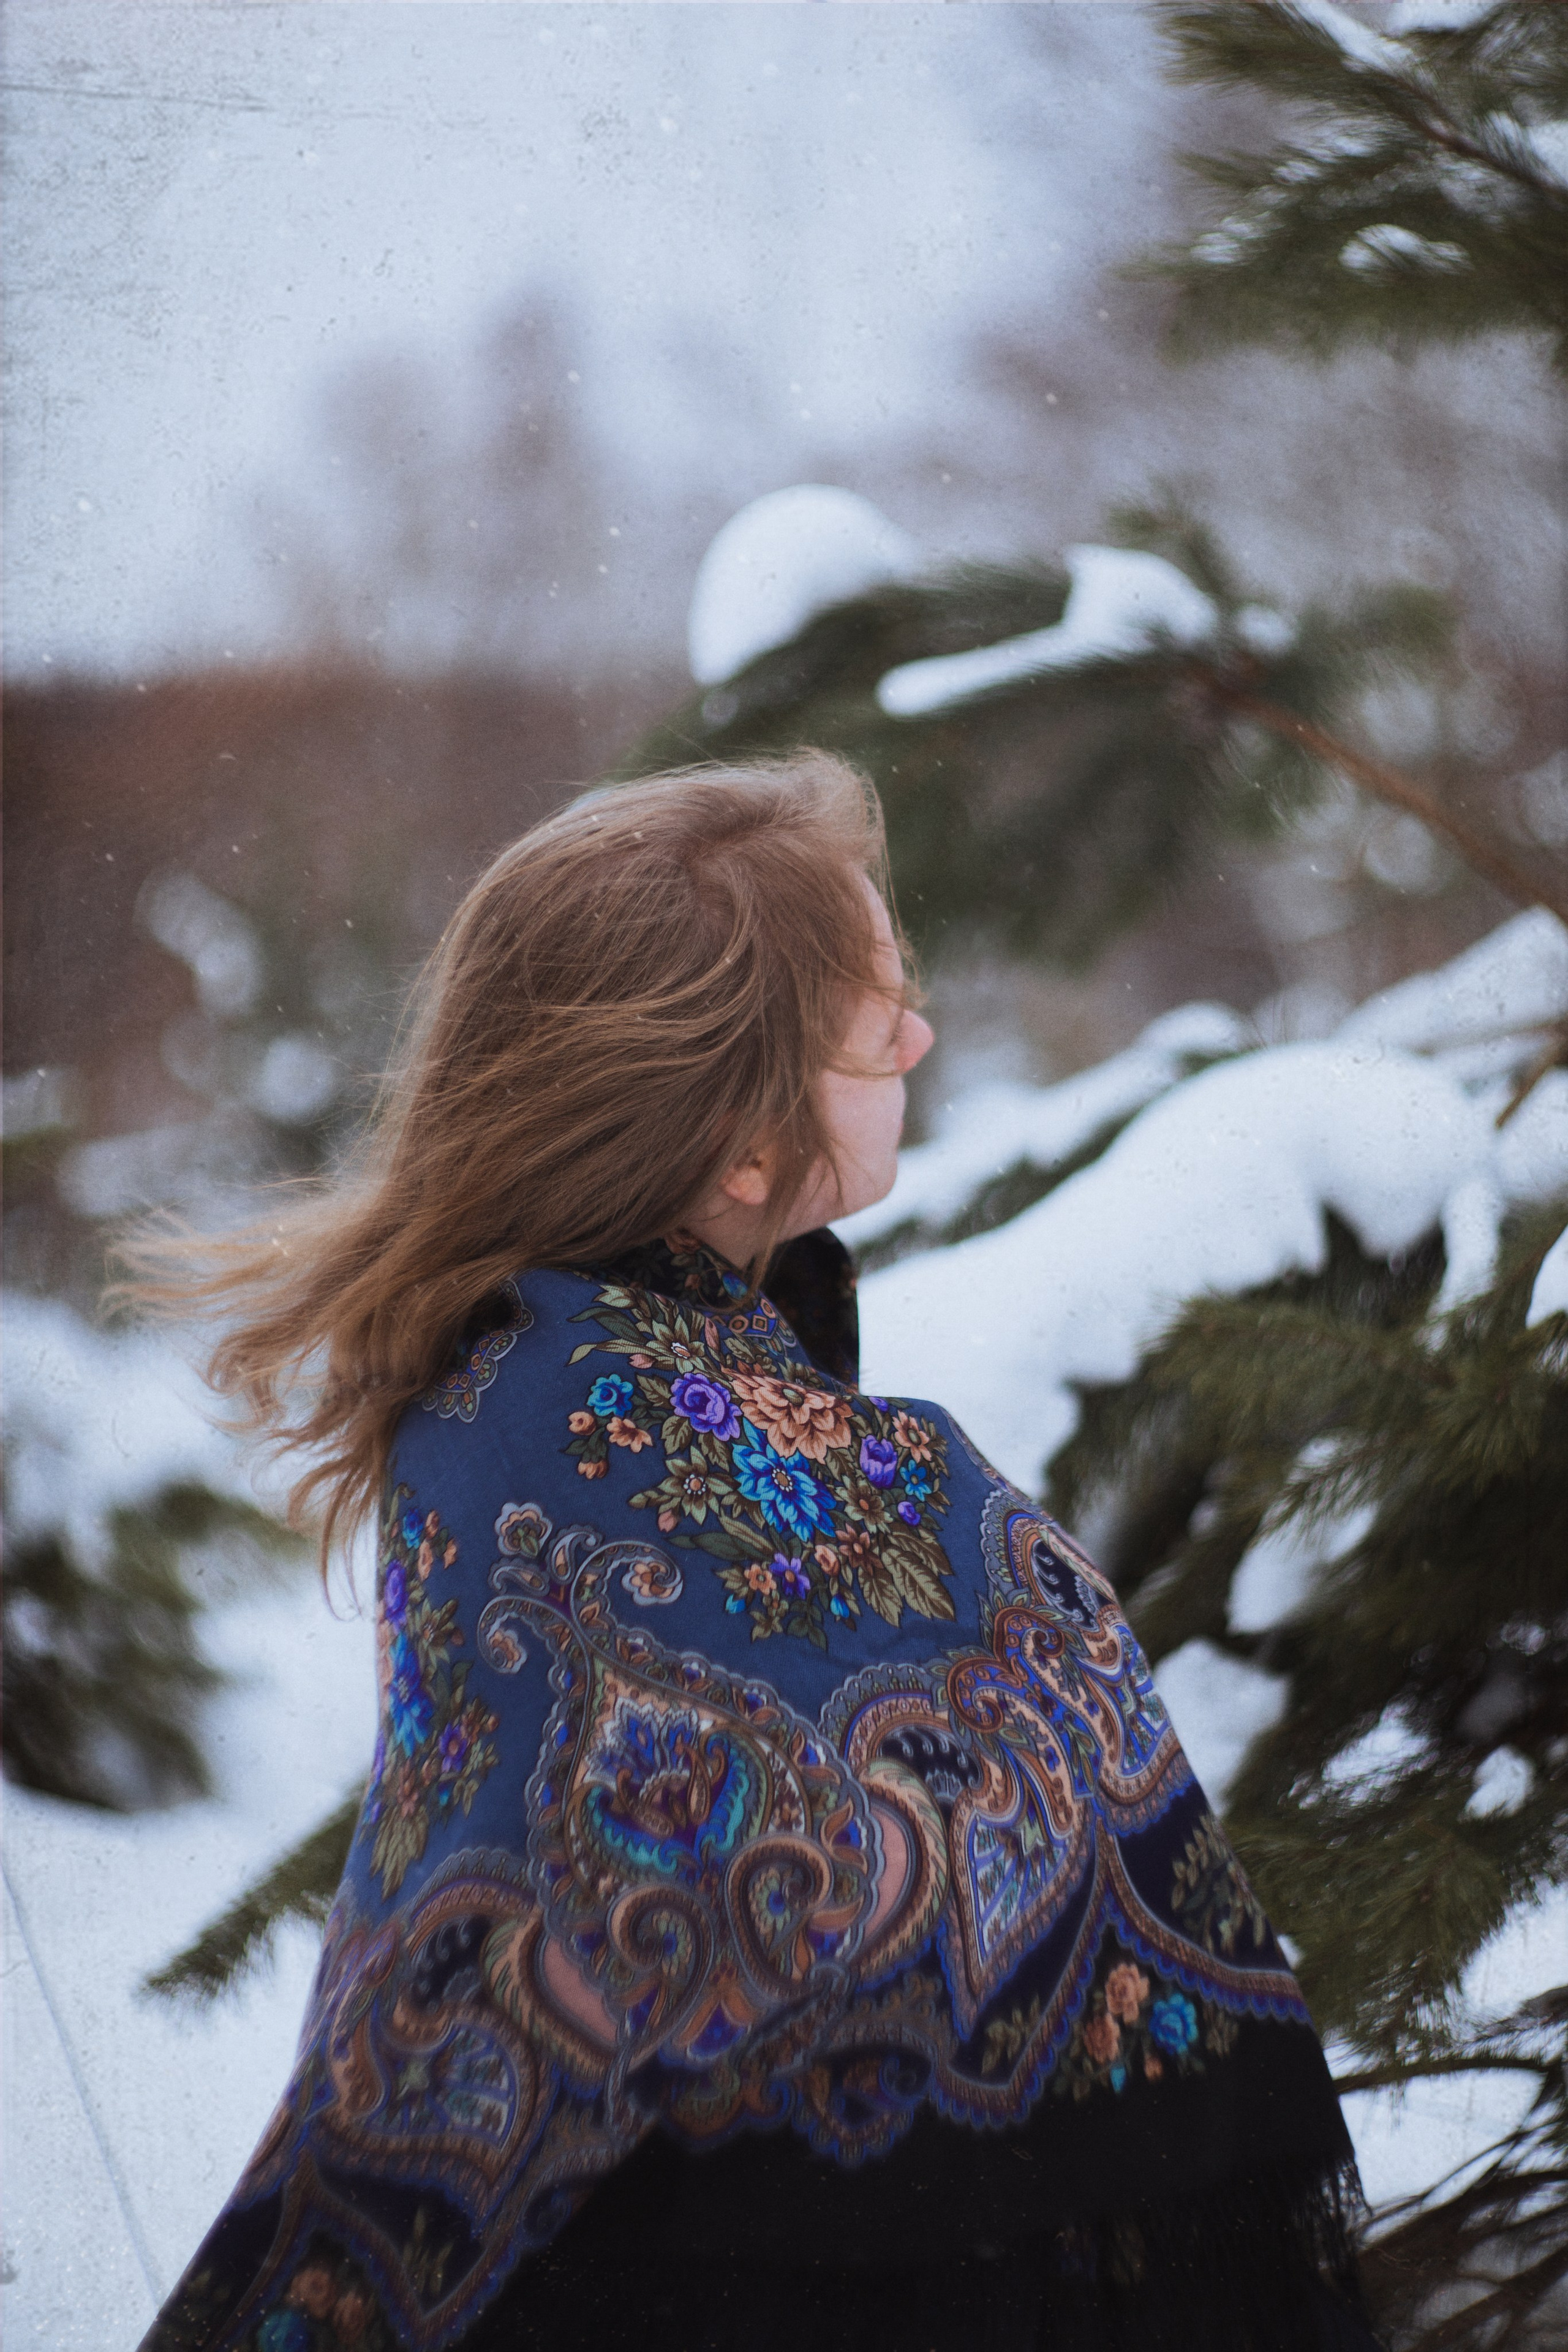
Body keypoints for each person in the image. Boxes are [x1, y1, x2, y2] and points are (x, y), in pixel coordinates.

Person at [134, 754, 1379, 2352]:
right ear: (739, 1144)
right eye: (879, 1020)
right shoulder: (639, 1446)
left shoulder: (517, 1370)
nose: (921, 1035)